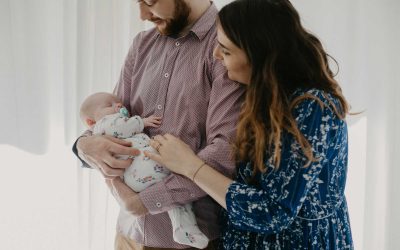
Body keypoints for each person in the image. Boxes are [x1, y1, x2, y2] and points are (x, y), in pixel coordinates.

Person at [145, 0, 354, 249]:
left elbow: (272, 212)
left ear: (259, 54)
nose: (215, 55)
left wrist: (190, 165)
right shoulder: (259, 96)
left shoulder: (313, 108)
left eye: (226, 50)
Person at [72, 0, 244, 249]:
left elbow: (225, 151)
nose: (143, 14)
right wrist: (84, 145)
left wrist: (145, 202)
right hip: (128, 234)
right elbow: (110, 118)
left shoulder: (226, 49)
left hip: (190, 242)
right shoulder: (142, 45)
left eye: (149, 1)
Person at [79, 92, 209, 249]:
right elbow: (121, 129)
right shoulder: (104, 125)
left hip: (143, 172)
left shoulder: (109, 119)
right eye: (109, 105)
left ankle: (183, 229)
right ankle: (184, 226)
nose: (118, 105)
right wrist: (142, 121)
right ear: (91, 122)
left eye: (118, 103)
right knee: (172, 180)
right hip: (140, 171)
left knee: (176, 203)